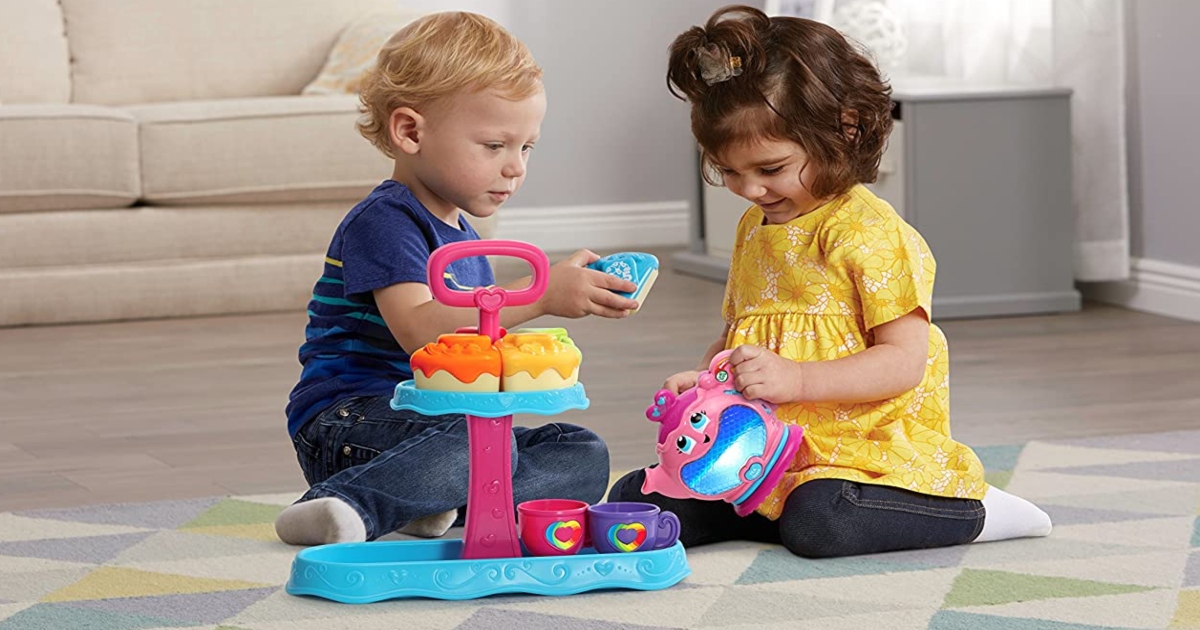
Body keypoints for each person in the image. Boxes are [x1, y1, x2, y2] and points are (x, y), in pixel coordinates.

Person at [608, 5, 1052, 558]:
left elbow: (904, 362)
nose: (747, 189)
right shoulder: (755, 228)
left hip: (856, 450)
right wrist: (704, 383)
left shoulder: (869, 234)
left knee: (824, 522)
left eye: (769, 169)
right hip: (762, 443)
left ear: (843, 130)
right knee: (639, 496)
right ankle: (768, 506)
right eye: (728, 171)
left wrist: (798, 380)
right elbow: (739, 334)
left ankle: (973, 511)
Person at [275, 12, 640, 546]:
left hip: (439, 421)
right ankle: (344, 505)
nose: (515, 166)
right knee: (466, 446)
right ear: (410, 131)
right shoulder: (384, 222)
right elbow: (422, 330)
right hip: (351, 422)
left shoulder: (465, 236)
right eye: (495, 145)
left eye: (526, 147)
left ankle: (426, 500)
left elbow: (476, 340)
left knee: (582, 452)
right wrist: (539, 294)